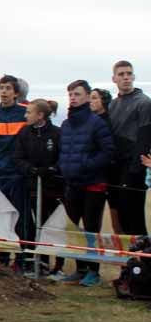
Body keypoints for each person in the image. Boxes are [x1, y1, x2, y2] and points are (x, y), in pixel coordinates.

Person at [56, 80, 114, 286]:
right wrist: (64, 167)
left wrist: (86, 165)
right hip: (72, 184)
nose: (73, 97)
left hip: (93, 184)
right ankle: (79, 268)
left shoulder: (97, 123)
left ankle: (93, 271)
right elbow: (63, 150)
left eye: (77, 93)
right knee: (72, 228)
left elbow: (107, 152)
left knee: (91, 229)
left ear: (88, 96)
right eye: (70, 93)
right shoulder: (66, 124)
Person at [13, 98, 63, 276]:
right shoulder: (24, 133)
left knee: (53, 224)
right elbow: (18, 157)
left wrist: (52, 169)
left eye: (29, 112)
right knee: (34, 224)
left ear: (40, 115)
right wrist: (31, 169)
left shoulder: (57, 133)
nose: (25, 115)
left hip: (53, 186)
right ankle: (37, 261)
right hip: (32, 185)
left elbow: (62, 156)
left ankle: (58, 264)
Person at [0, 75, 29, 269]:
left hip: (17, 173)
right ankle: (2, 258)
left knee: (20, 217)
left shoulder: (24, 112)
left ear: (16, 93)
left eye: (7, 88)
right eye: (1, 88)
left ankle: (22, 258)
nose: (3, 92)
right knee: (1, 216)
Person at [107, 61, 151, 237]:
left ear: (133, 77)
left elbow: (145, 137)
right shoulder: (112, 104)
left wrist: (135, 169)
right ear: (114, 78)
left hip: (133, 167)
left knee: (134, 218)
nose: (126, 77)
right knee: (121, 218)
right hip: (115, 167)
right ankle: (130, 261)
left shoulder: (144, 102)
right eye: (121, 74)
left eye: (129, 73)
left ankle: (145, 262)